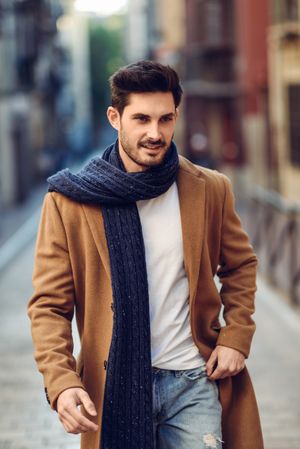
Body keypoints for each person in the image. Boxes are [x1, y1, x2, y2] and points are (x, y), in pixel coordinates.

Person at [28, 60, 264, 449]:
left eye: (165, 119)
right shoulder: (68, 201)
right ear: (114, 117)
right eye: (141, 119)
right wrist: (61, 380)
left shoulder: (210, 189)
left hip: (194, 380)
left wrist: (236, 337)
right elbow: (49, 305)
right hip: (114, 385)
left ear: (176, 117)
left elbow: (240, 265)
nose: (155, 133)